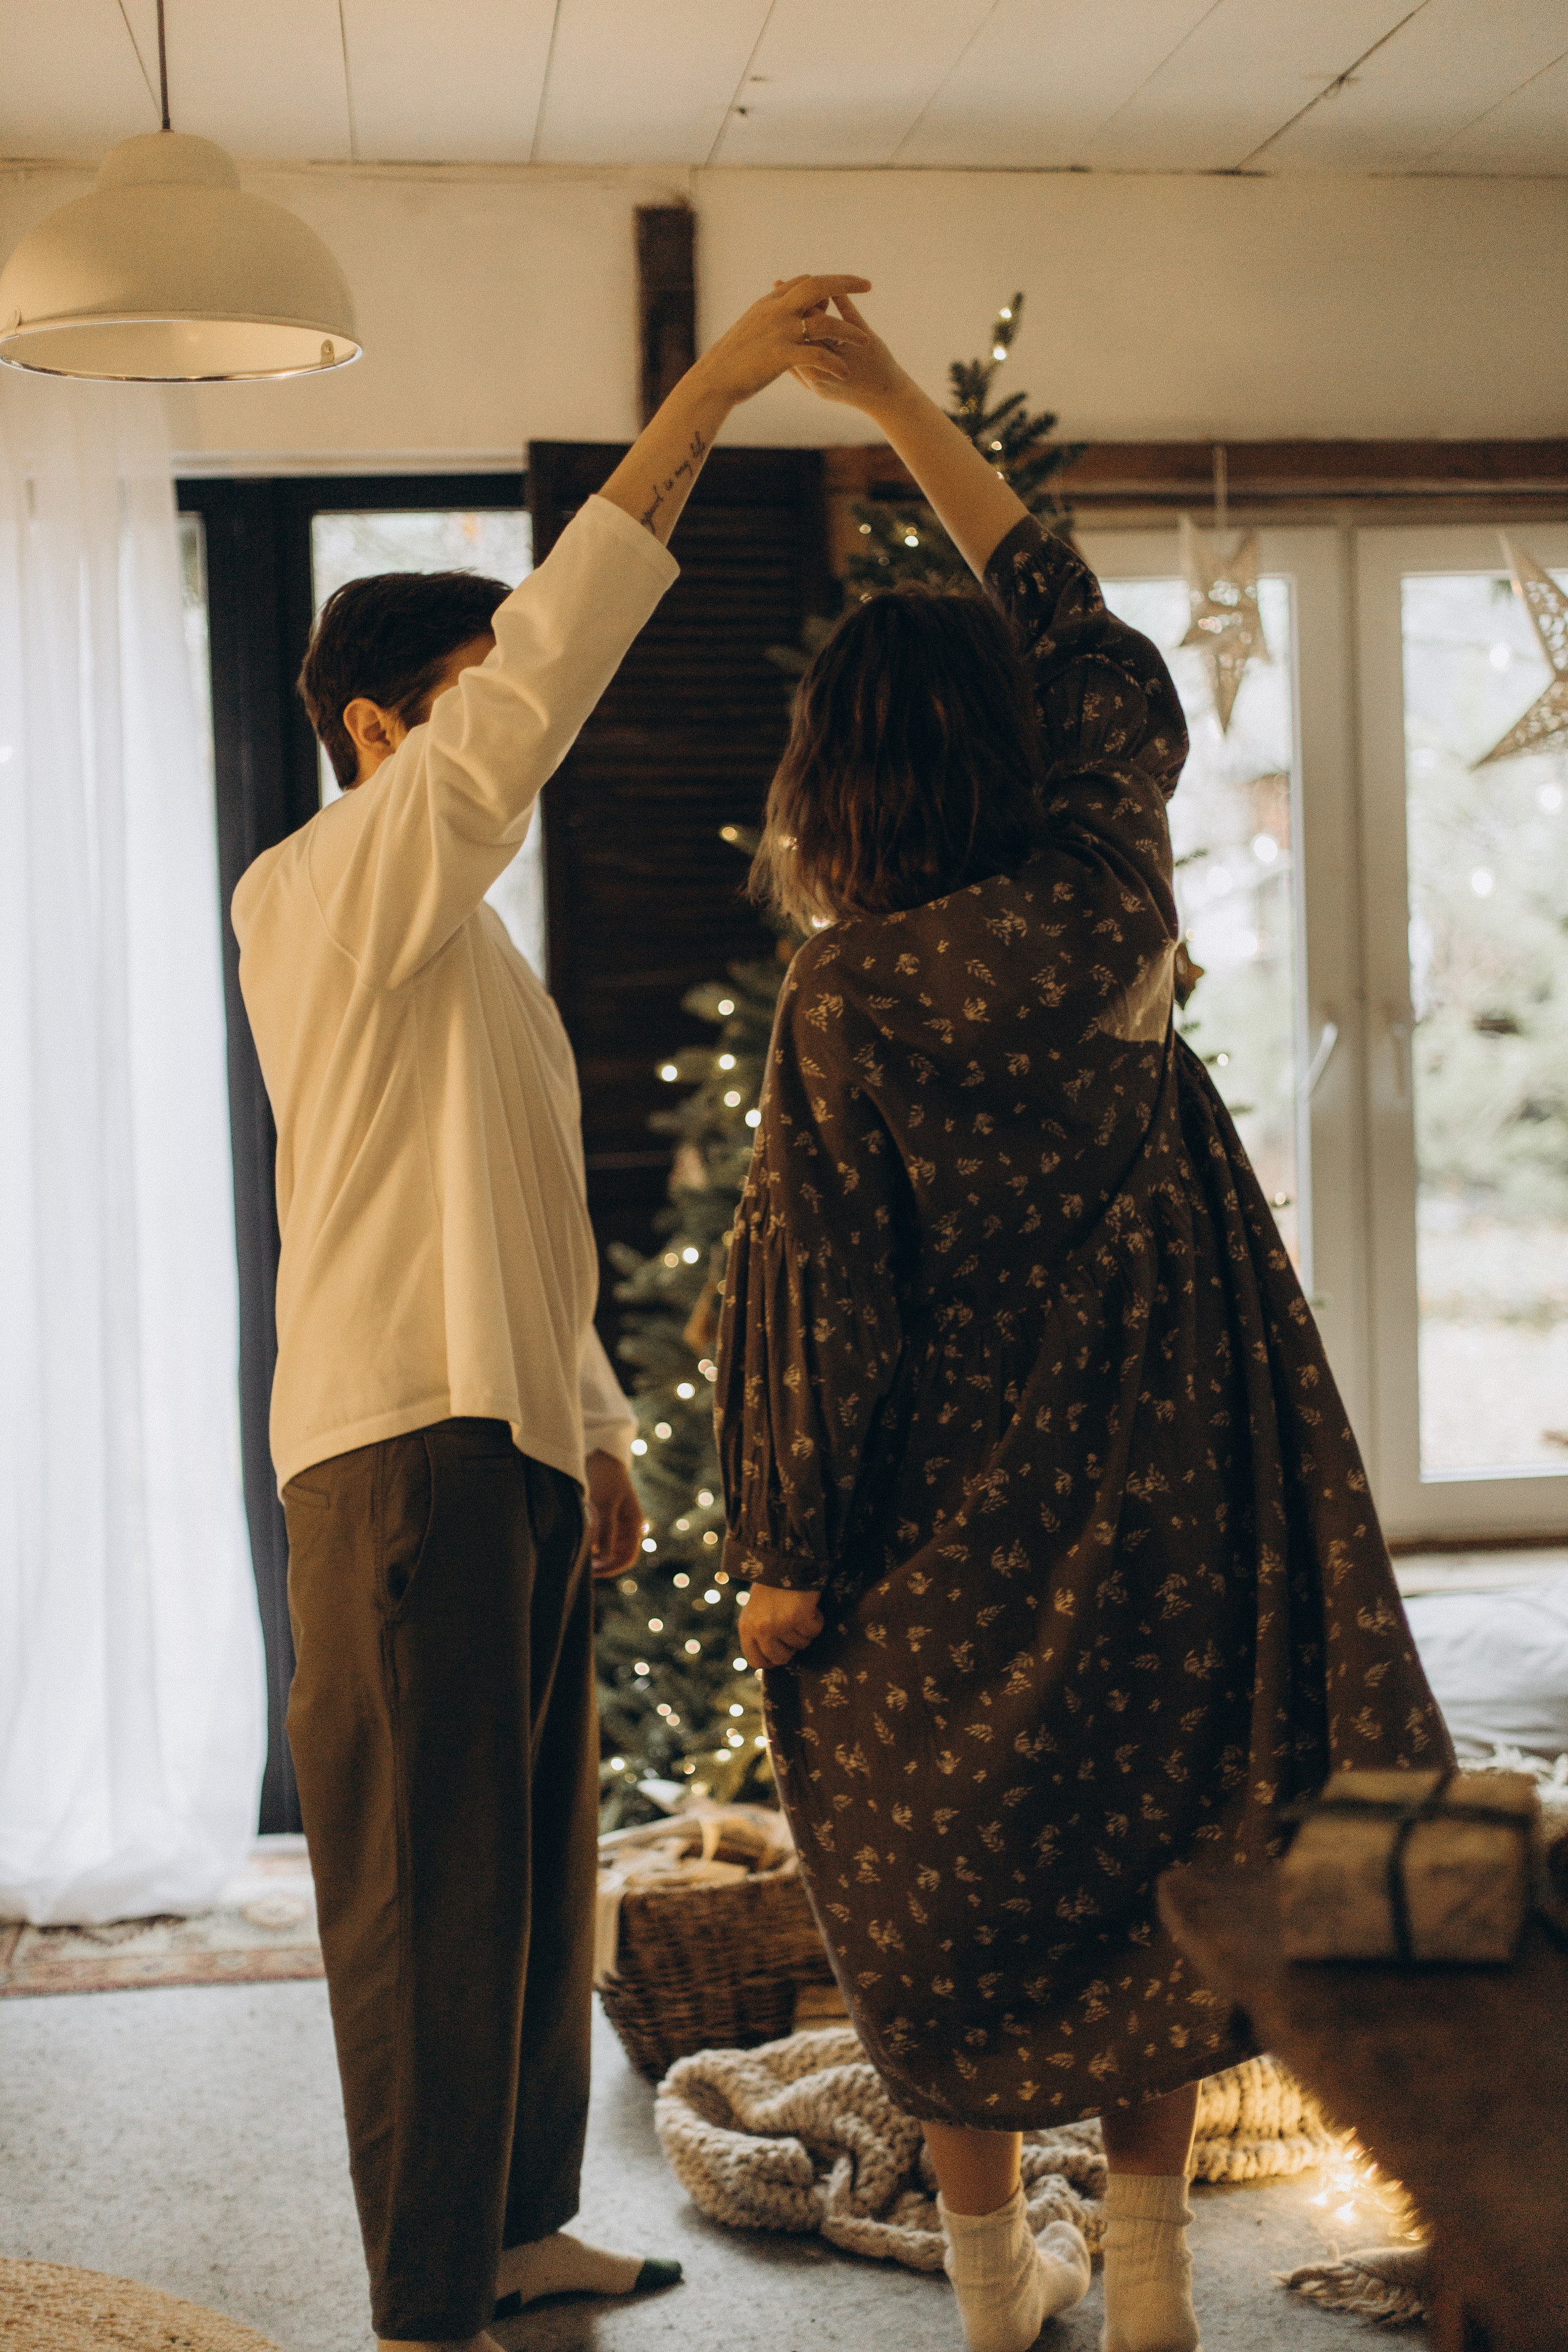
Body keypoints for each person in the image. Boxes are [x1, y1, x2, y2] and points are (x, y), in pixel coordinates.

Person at [717, 297, 1450, 2352]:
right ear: (1017, 745)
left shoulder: (847, 999)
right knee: (1155, 1860)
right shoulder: (1111, 871)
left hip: (945, 1525)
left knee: (950, 1894)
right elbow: (1074, 613)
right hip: (1167, 1480)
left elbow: (825, 1307)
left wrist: (783, 1549)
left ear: (840, 786)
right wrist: (885, 403)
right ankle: (1142, 2282)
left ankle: (983, 2289)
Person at [233, 274, 870, 2352]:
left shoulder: (476, 964)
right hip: (394, 1450)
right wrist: (699, 403)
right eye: (476, 692)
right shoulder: (323, 889)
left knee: (525, 1891)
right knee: (421, 1905)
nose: (513, 724)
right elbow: (550, 683)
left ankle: (513, 2232)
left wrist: (593, 1424)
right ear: (380, 729)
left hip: (502, 1439)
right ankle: (429, 2297)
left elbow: (528, 1224)